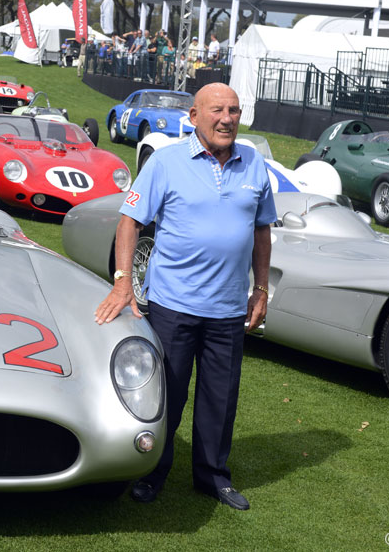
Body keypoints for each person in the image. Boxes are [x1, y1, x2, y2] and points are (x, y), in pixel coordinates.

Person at [95, 82, 276, 511]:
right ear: (193, 117)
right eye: (217, 110)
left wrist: (261, 288)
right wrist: (124, 282)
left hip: (228, 310)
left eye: (234, 110)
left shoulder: (254, 164)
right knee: (166, 398)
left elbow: (262, 230)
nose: (227, 118)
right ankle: (152, 472)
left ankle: (212, 477)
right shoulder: (166, 162)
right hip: (172, 307)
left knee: (220, 400)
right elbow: (129, 221)